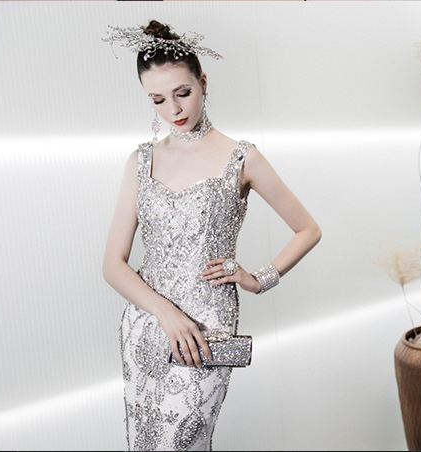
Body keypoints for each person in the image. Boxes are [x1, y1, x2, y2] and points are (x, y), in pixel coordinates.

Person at [102, 20, 321, 450]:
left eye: (182, 93)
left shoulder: (242, 157)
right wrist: (166, 314)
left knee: (185, 441)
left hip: (206, 328)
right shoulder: (140, 161)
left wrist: (258, 280)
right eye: (158, 100)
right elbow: (113, 264)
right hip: (145, 327)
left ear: (203, 82)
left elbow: (308, 229)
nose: (173, 109)